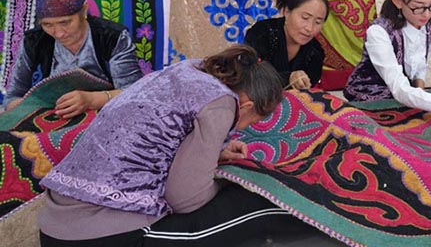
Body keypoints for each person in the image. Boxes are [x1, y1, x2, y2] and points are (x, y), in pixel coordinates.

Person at [39, 44, 285, 246]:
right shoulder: (223, 104)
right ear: (248, 106)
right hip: (97, 235)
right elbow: (186, 199)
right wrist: (222, 184)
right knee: (251, 206)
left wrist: (216, 151)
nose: (245, 126)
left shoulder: (187, 70)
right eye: (254, 120)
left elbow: (161, 135)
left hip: (55, 225)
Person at [4, 0, 142, 117]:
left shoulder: (112, 37)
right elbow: (13, 96)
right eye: (47, 25)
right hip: (54, 115)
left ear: (84, 10)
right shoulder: (34, 40)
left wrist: (92, 100)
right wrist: (27, 112)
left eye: (65, 22)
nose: (58, 33)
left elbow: (133, 91)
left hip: (105, 113)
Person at [244, 0, 328, 89]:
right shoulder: (261, 33)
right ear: (287, 11)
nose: (309, 28)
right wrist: (288, 78)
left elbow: (308, 90)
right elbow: (249, 75)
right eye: (305, 18)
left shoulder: (316, 52)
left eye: (318, 22)